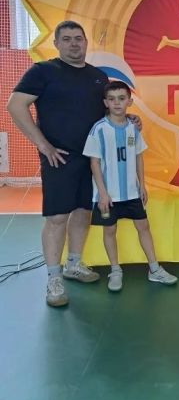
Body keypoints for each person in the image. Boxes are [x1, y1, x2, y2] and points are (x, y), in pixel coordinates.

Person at [7, 21, 138, 308]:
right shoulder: (43, 71)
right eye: (66, 39)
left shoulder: (98, 77)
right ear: (56, 43)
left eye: (78, 38)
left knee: (83, 212)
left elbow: (109, 112)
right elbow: (15, 105)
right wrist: (43, 145)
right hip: (59, 157)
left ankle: (73, 264)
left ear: (86, 42)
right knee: (57, 218)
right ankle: (53, 278)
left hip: (92, 160)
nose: (74, 43)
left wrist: (129, 119)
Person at [83, 81, 177, 291]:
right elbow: (94, 163)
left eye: (121, 98)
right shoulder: (99, 129)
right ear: (105, 103)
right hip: (108, 195)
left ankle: (154, 269)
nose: (117, 103)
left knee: (144, 227)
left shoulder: (133, 128)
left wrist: (142, 185)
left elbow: (138, 157)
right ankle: (115, 270)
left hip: (132, 192)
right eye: (112, 99)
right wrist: (102, 193)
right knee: (110, 230)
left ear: (129, 101)